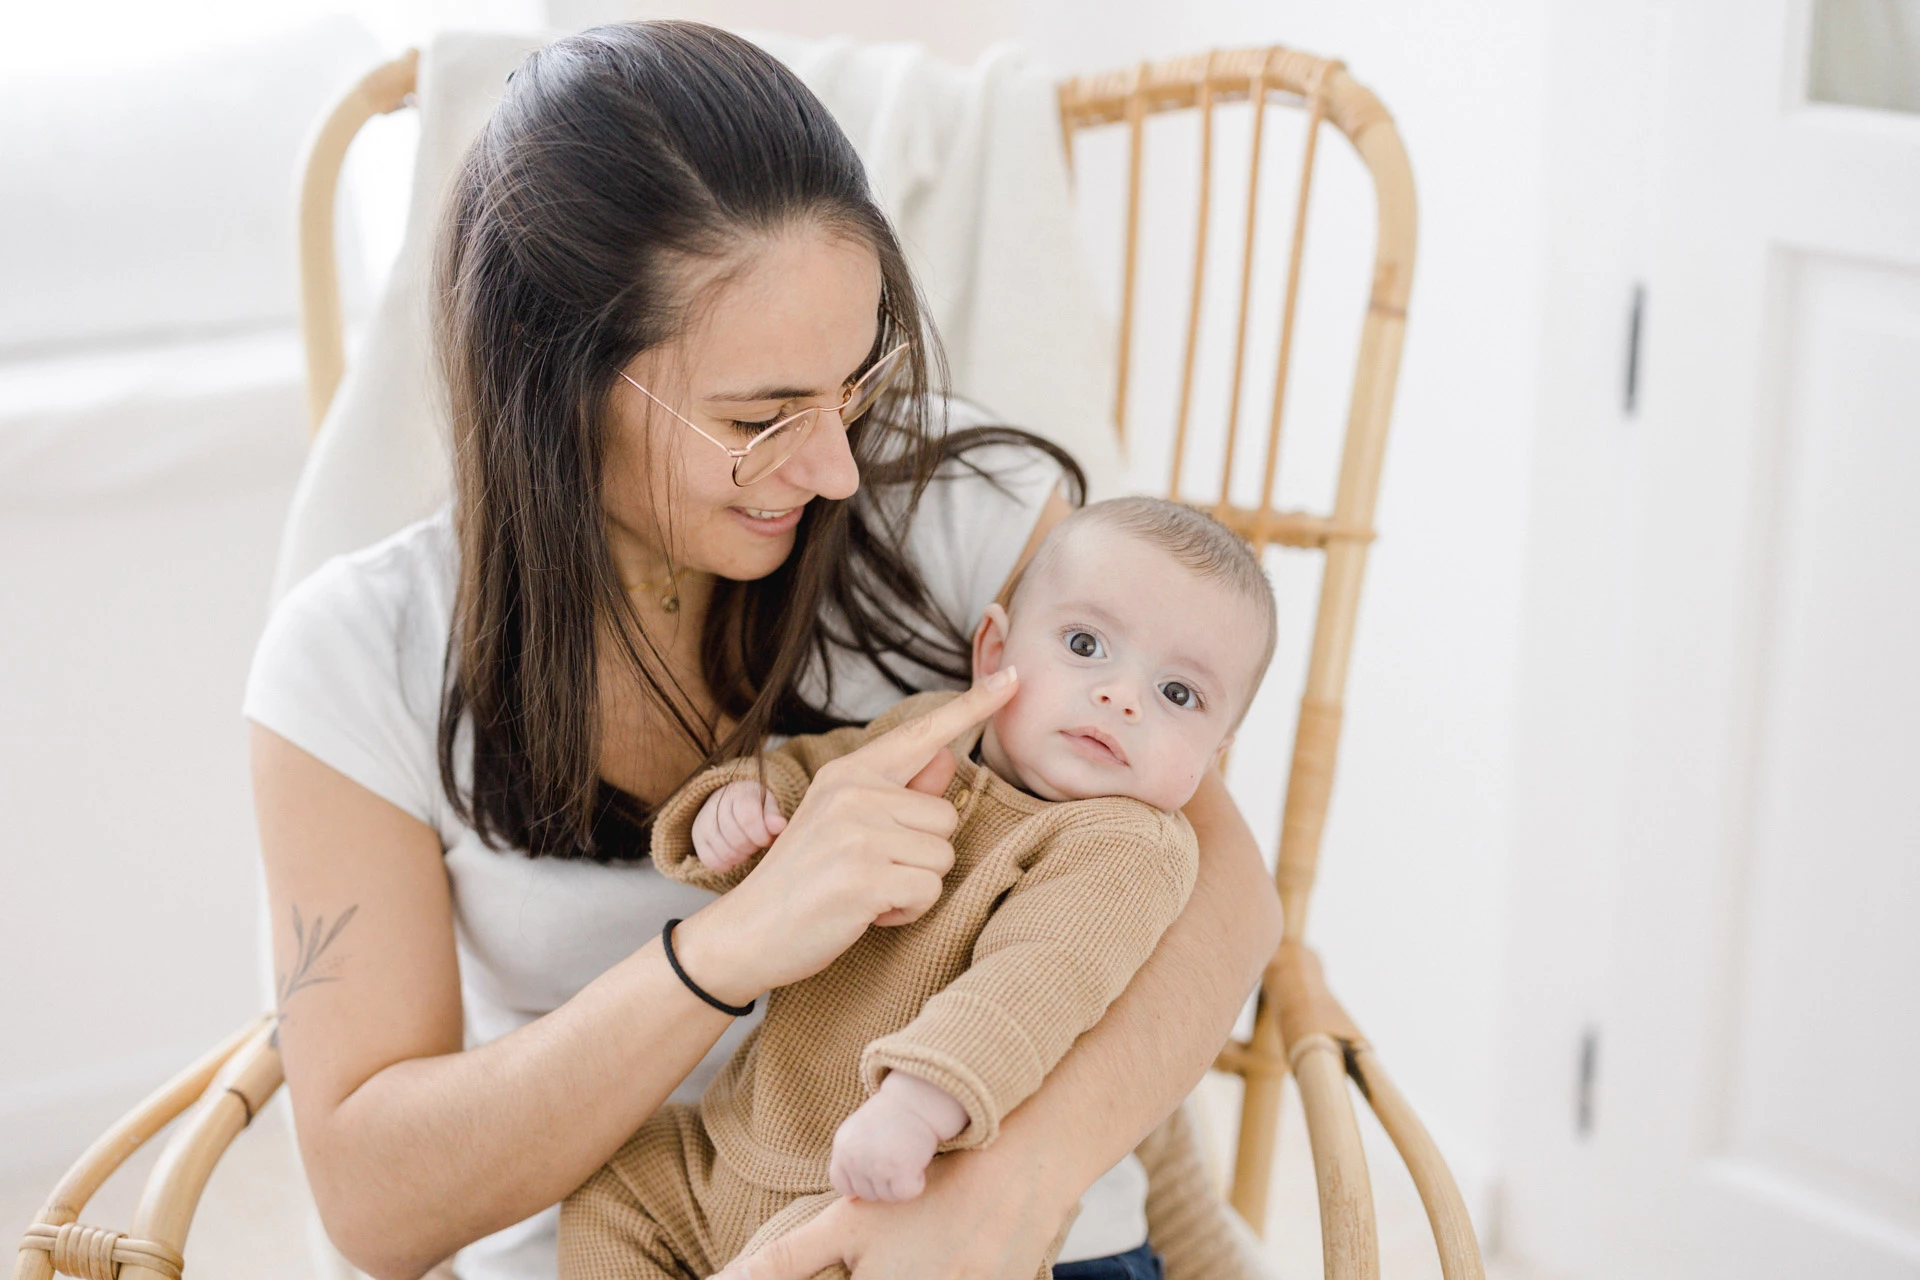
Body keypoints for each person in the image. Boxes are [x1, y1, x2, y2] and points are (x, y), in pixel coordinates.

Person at [245, 21, 1279, 1280]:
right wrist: (727, 948)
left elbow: (1216, 890)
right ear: (555, 382)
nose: (838, 465)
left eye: (854, 384)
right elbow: (374, 1200)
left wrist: (1005, 1194)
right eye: (761, 417)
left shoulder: (969, 521)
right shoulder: (357, 657)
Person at [561, 498, 1279, 1280]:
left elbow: (1034, 982)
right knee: (615, 1182)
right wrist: (742, 809)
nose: (1123, 697)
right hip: (741, 1153)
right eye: (1085, 645)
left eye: (1179, 695)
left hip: (913, 1193)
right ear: (994, 649)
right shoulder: (935, 729)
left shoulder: (1128, 847)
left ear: (1216, 752)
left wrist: (917, 1105)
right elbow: (822, 781)